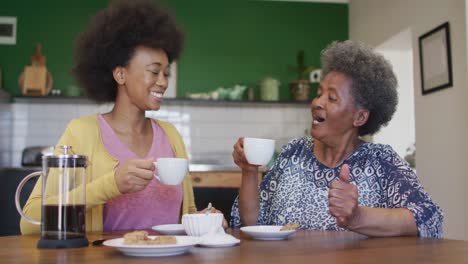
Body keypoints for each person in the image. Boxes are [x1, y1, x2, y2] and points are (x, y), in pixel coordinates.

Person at [21, 0, 203, 234]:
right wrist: (111, 185)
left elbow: (187, 212)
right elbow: (29, 221)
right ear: (120, 74)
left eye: (166, 73)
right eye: (154, 71)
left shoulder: (171, 135)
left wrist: (203, 219)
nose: (163, 82)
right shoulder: (81, 132)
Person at [231, 40, 443, 238]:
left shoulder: (380, 161)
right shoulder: (293, 153)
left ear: (359, 117)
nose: (317, 103)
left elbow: (428, 218)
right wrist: (249, 171)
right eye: (319, 93)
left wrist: (357, 217)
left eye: (331, 98)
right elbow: (252, 222)